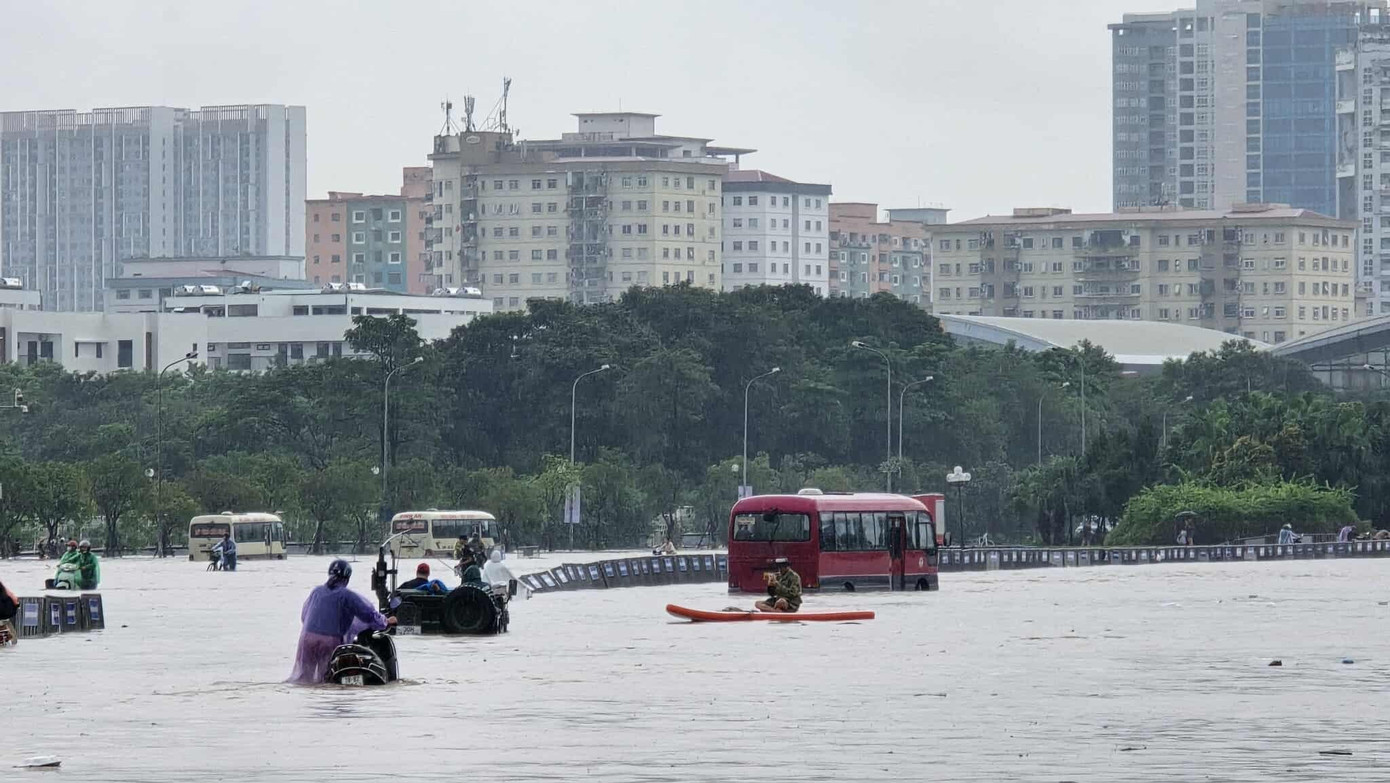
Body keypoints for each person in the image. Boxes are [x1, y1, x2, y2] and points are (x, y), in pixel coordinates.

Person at [288, 559, 395, 685]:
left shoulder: (316, 592)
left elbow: (304, 616)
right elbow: (369, 615)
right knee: (326, 680)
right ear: (347, 578)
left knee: (304, 680)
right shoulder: (347, 596)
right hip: (329, 641)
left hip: (307, 639)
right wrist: (385, 621)